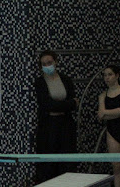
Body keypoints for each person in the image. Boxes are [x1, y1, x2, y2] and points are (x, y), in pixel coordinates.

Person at [34, 50, 78, 183]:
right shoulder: (40, 82)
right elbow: (47, 105)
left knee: (66, 162)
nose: (47, 66)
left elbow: (74, 103)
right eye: (44, 64)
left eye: (49, 63)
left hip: (65, 125)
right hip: (49, 127)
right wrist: (67, 104)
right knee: (49, 165)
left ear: (56, 62)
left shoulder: (65, 80)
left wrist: (63, 105)